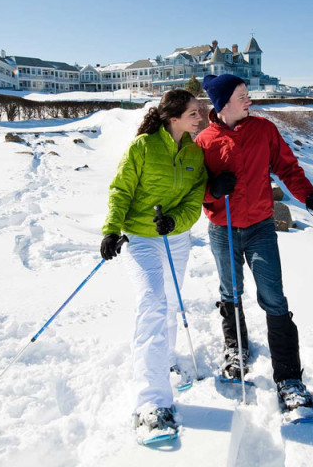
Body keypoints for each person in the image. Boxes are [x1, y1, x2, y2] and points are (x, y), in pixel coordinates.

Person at [195, 74, 313, 411]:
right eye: (242, 95)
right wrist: (214, 190)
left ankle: (288, 378)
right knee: (231, 291)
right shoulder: (204, 142)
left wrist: (310, 197)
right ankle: (236, 348)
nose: (249, 100)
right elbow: (195, 190)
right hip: (222, 229)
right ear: (223, 103)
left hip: (260, 227)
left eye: (248, 94)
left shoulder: (264, 130)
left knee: (274, 297)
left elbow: (287, 166)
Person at [100, 89, 207, 438]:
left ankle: (167, 361)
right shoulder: (143, 147)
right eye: (193, 112)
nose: (199, 117)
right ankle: (151, 403)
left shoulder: (195, 152)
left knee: (172, 303)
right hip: (140, 238)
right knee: (152, 304)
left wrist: (175, 222)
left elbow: (195, 199)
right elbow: (121, 189)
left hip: (174, 238)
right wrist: (111, 229)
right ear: (172, 117)